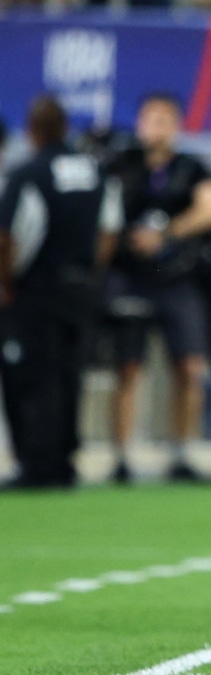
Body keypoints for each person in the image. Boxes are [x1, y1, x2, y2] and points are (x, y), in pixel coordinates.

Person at [0, 96, 121, 490]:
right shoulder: (95, 170)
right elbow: (108, 230)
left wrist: (5, 283)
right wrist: (90, 274)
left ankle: (39, 465)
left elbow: (10, 237)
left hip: (37, 289)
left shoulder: (29, 172)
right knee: (70, 374)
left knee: (33, 376)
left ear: (32, 130)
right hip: (82, 287)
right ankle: (66, 459)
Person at [105, 93, 211, 483]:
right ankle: (121, 456)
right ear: (139, 123)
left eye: (164, 119)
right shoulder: (119, 165)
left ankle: (181, 451)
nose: (155, 126)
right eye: (149, 118)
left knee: (190, 367)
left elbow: (210, 210)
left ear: (176, 125)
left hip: (178, 280)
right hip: (130, 278)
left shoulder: (191, 168)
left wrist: (167, 233)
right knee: (127, 367)